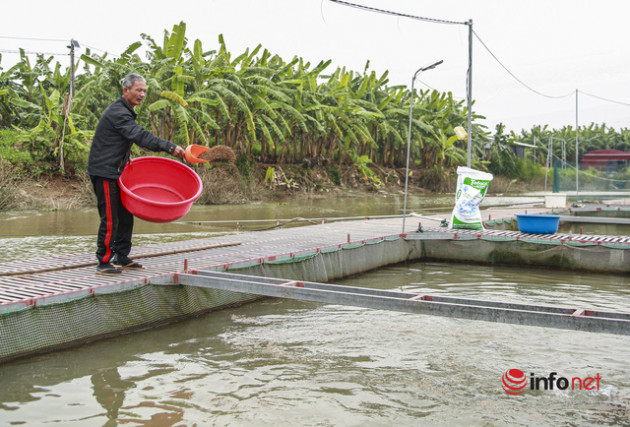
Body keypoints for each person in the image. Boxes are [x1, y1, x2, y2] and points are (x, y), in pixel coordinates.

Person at [88, 73, 185, 275]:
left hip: (117, 170)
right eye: (138, 90)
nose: (142, 94)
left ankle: (121, 256)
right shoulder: (119, 112)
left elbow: (116, 141)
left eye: (144, 91)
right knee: (111, 218)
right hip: (105, 172)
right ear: (126, 90)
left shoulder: (125, 110)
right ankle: (103, 262)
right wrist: (170, 147)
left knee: (125, 215)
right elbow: (139, 135)